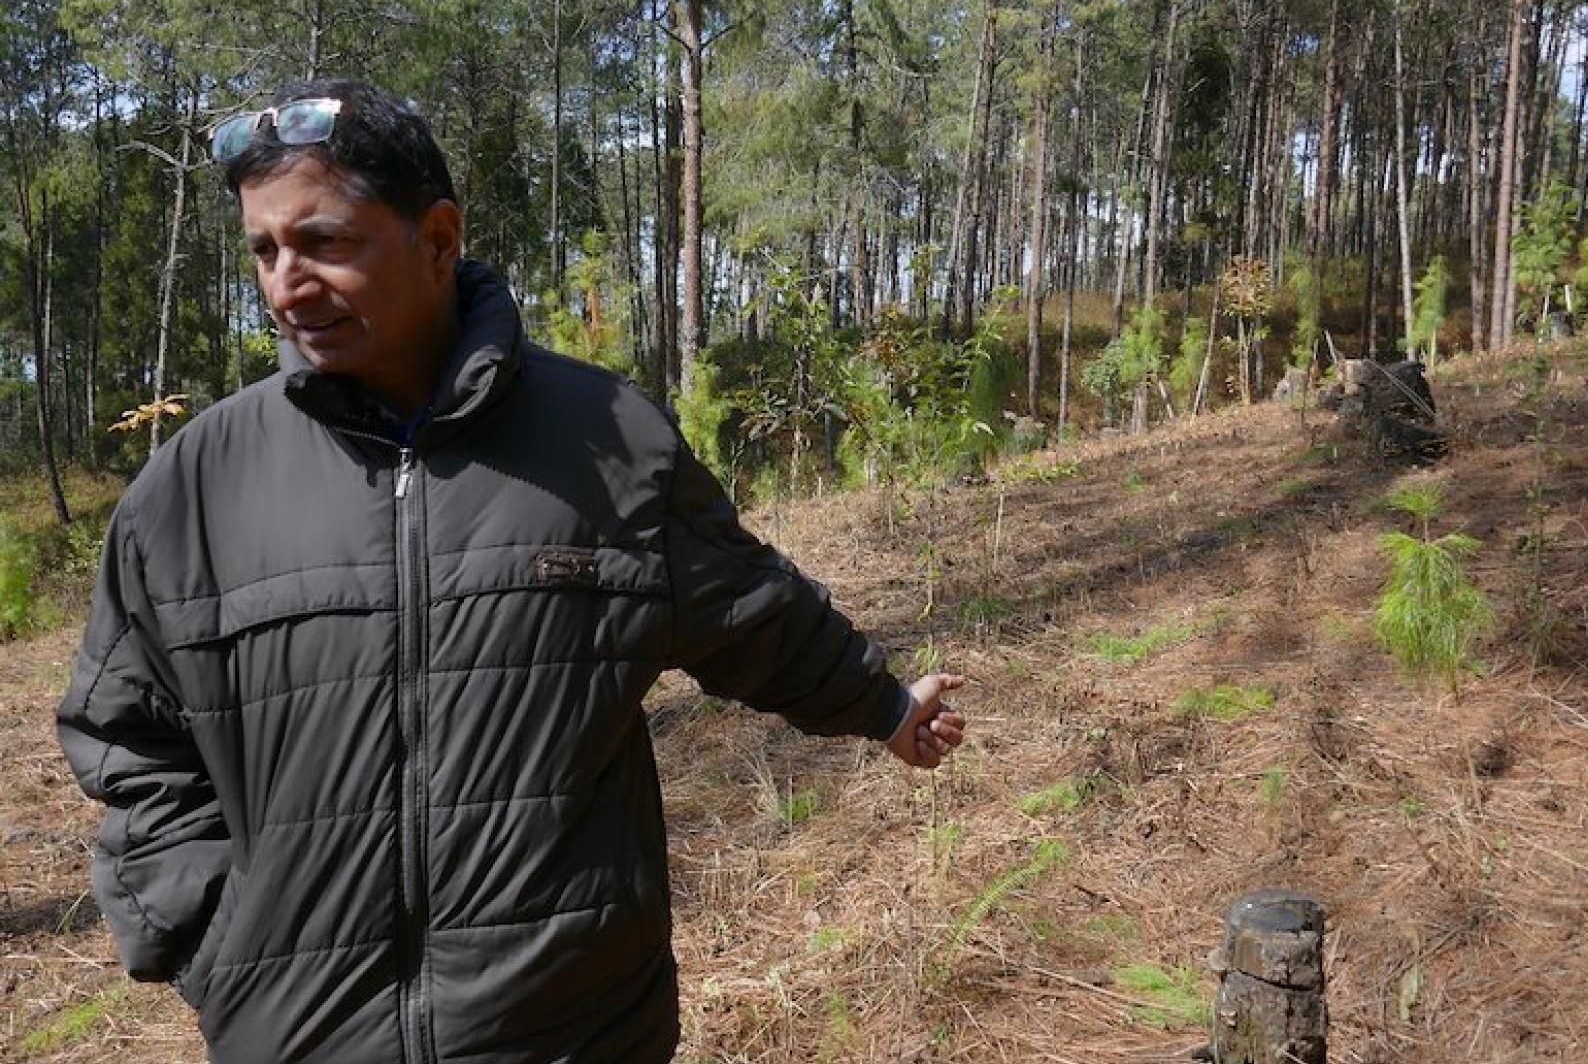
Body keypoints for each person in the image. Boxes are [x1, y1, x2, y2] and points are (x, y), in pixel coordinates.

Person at [57, 79, 966, 1064]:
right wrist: (224, 942)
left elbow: (751, 611)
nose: (286, 285)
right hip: (301, 1036)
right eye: (265, 251)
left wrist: (883, 705)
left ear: (438, 239)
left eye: (325, 242)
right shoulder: (197, 484)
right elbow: (130, 741)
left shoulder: (605, 441)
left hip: (571, 1030)